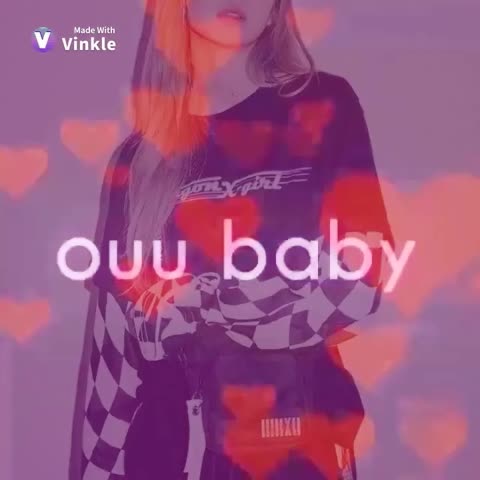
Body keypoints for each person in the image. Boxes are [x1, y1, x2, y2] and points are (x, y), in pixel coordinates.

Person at [69, 0, 394, 479]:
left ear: (276, 9)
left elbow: (360, 280)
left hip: (292, 445)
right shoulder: (138, 158)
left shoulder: (321, 107)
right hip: (167, 453)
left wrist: (194, 301)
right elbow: (115, 353)